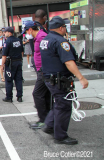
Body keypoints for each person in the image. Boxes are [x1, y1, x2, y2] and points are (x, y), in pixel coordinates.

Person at [40, 16, 89, 145]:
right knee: (64, 105)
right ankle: (60, 136)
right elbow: (69, 62)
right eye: (64, 27)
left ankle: (49, 125)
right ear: (61, 28)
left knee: (59, 102)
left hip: (49, 78)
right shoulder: (61, 42)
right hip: (59, 79)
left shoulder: (45, 39)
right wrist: (81, 78)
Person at [23, 21, 51, 129]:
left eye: (26, 31)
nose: (26, 34)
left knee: (37, 94)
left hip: (44, 71)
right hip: (41, 70)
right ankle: (47, 118)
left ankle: (43, 119)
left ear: (30, 29)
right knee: (45, 94)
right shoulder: (38, 37)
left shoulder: (42, 37)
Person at [1, 27, 23, 102]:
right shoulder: (19, 40)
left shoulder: (7, 42)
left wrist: (2, 65)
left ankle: (9, 97)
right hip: (19, 61)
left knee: (9, 80)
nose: (4, 33)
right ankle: (19, 96)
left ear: (9, 33)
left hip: (10, 63)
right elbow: (22, 52)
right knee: (19, 79)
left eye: (5, 32)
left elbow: (4, 55)